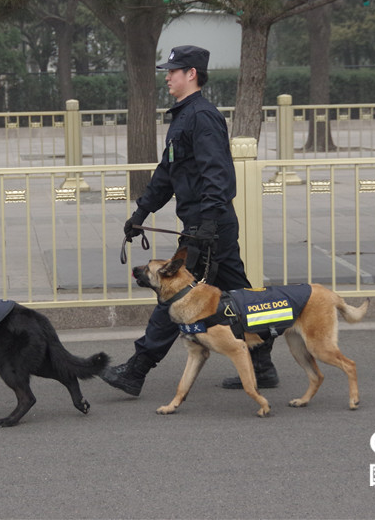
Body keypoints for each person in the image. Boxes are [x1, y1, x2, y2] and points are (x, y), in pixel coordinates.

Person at [100, 45, 278, 396]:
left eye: (173, 70)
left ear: (191, 74)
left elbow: (218, 174)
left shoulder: (202, 116)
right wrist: (141, 213)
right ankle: (263, 361)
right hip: (206, 224)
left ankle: (136, 370)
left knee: (175, 295)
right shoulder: (183, 117)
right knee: (240, 294)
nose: (167, 76)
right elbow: (167, 173)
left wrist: (208, 223)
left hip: (208, 225)